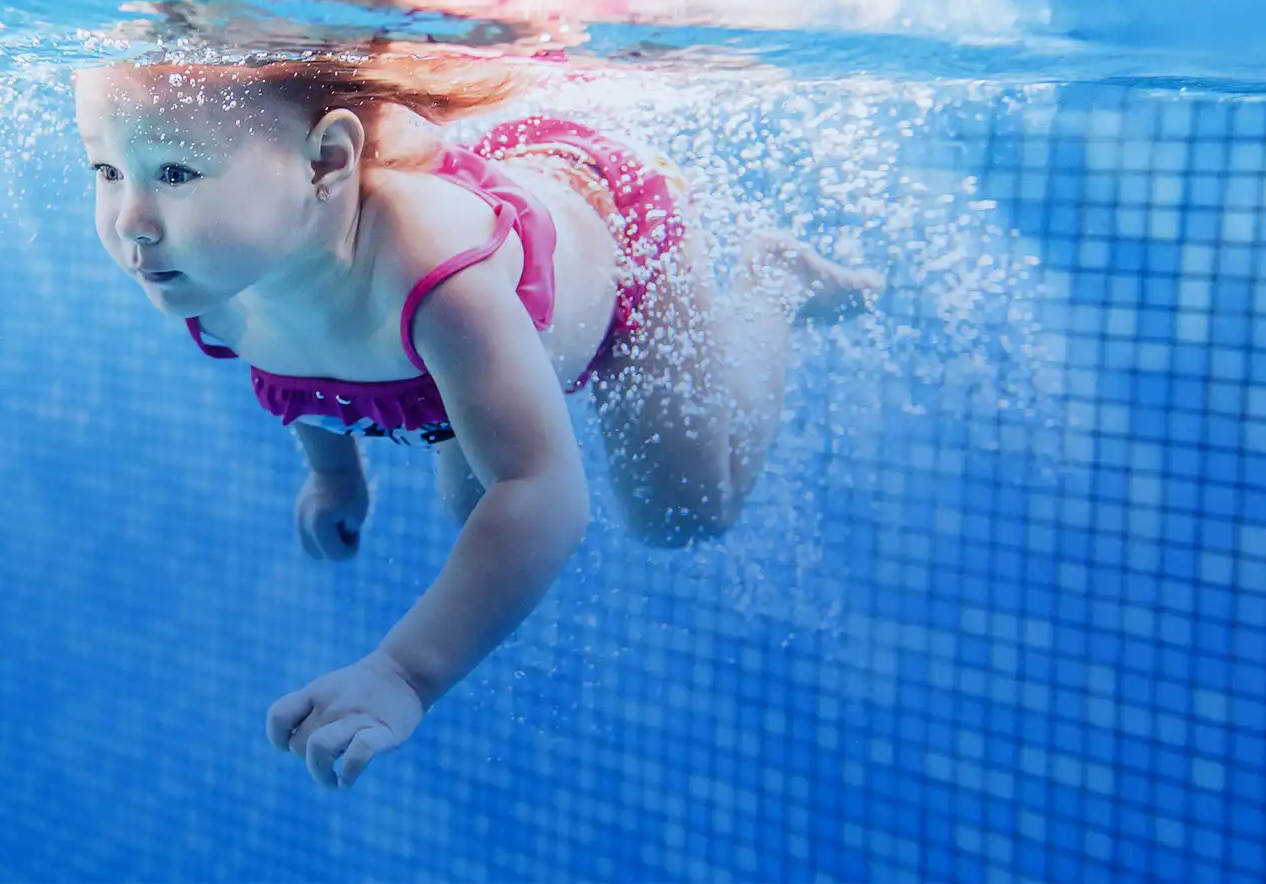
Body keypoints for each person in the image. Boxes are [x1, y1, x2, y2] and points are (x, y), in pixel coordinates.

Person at [71, 46, 882, 790]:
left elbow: (546, 494)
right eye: (107, 170)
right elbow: (294, 359)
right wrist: (333, 473)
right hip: (484, 274)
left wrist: (404, 672)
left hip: (619, 233)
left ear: (325, 162)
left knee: (680, 511)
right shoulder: (212, 275)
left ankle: (774, 285)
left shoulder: (433, 275)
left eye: (175, 173)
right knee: (470, 506)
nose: (131, 223)